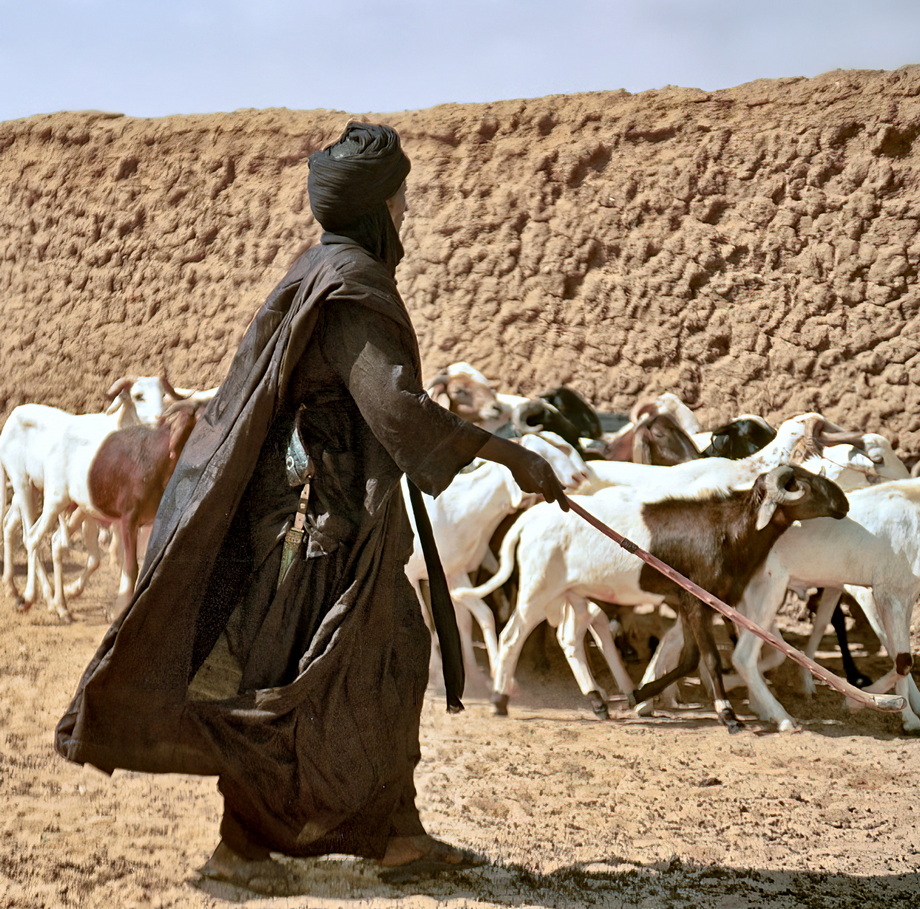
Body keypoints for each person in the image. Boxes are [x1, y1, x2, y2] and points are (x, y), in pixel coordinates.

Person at [55, 122, 568, 891]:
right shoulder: (353, 286)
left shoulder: (319, 269)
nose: (407, 210)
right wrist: (512, 453)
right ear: (377, 206)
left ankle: (394, 833)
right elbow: (394, 410)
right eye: (401, 197)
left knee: (383, 658)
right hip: (313, 532)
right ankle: (243, 847)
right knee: (296, 681)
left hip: (321, 523)